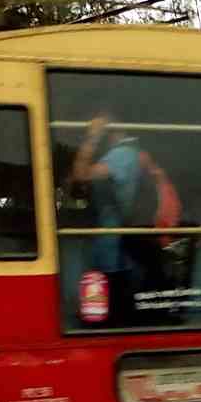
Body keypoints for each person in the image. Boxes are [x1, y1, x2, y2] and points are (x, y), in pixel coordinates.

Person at [68, 110, 145, 322]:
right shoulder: (128, 153)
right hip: (112, 244)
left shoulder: (122, 155)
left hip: (113, 247)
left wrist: (92, 137)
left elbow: (81, 174)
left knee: (106, 313)